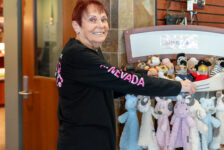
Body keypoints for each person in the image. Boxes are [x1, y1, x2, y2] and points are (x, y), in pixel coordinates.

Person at [55, 0, 196, 149]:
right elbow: (125, 81)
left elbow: (111, 86)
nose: (101, 25)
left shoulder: (87, 50)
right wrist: (178, 86)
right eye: (92, 19)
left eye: (103, 19)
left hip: (93, 137)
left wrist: (145, 74)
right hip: (83, 141)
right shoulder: (78, 55)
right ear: (77, 26)